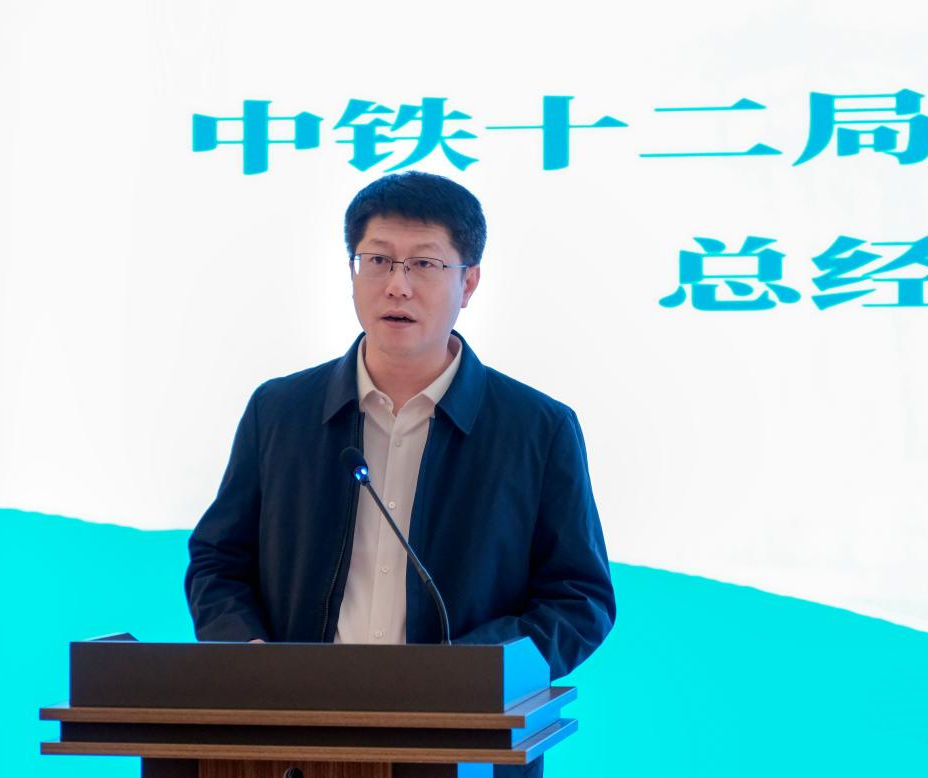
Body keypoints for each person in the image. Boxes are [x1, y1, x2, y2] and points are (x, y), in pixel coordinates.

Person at [185, 171, 615, 776]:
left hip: (463, 740)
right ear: (352, 273)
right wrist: (245, 651)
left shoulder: (535, 428)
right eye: (378, 261)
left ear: (469, 283)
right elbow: (218, 559)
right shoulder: (280, 411)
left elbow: (580, 597)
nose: (397, 285)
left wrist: (472, 669)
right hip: (293, 736)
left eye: (424, 264)